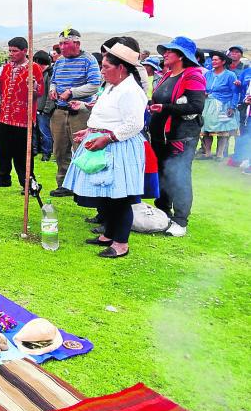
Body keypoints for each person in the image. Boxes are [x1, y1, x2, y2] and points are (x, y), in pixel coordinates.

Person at [63, 44, 149, 258]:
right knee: (108, 195)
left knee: (119, 197)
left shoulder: (130, 90)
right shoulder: (112, 86)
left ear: (121, 68)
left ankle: (121, 243)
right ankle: (108, 235)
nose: (102, 71)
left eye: (106, 67)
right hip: (103, 141)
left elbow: (134, 124)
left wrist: (107, 137)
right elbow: (107, 116)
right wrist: (90, 131)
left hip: (119, 146)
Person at [149, 37, 206, 237]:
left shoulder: (192, 75)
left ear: (181, 56)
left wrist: (164, 108)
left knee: (179, 175)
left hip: (181, 136)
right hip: (161, 136)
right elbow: (159, 100)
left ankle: (181, 221)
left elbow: (196, 106)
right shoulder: (167, 75)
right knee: (164, 173)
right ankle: (164, 211)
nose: (165, 53)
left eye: (169, 51)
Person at [0, 37, 43, 191]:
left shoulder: (34, 67)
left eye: (15, 51)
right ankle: (3, 178)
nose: (11, 54)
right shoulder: (7, 67)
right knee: (3, 150)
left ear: (25, 51)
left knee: (23, 154)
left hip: (23, 118)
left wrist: (34, 86)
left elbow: (40, 91)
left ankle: (28, 183)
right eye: (10, 50)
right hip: (5, 116)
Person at [48, 28, 101, 197]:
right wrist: (53, 88)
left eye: (65, 43)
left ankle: (82, 185)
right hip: (60, 110)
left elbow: (94, 84)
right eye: (60, 44)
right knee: (59, 149)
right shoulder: (60, 61)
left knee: (81, 148)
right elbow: (54, 80)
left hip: (80, 111)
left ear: (77, 43)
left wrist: (72, 92)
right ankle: (63, 183)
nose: (61, 47)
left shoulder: (89, 60)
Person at [199, 51, 240, 160]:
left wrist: (233, 106)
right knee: (206, 130)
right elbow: (203, 87)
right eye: (212, 60)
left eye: (216, 60)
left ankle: (219, 154)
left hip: (223, 105)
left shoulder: (230, 75)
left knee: (223, 131)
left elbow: (235, 92)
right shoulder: (207, 74)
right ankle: (207, 153)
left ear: (223, 62)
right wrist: (204, 93)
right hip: (208, 104)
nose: (213, 61)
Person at [33, 50, 54, 162]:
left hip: (44, 110)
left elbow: (50, 95)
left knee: (45, 132)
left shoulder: (49, 74)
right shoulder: (39, 74)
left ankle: (47, 153)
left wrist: (46, 110)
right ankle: (35, 150)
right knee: (36, 131)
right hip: (37, 108)